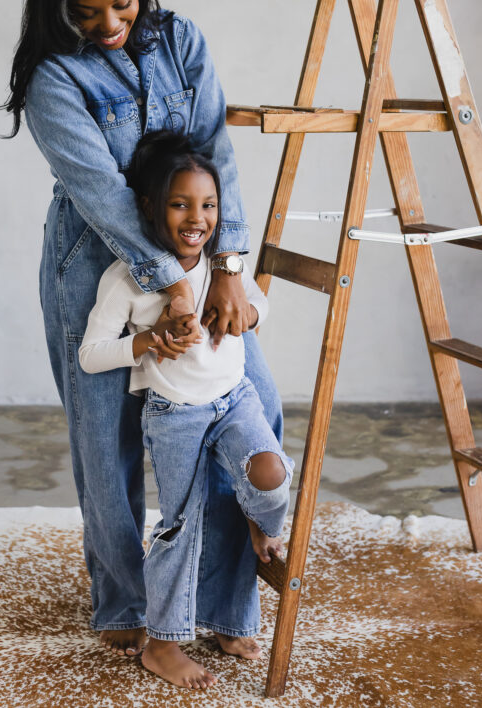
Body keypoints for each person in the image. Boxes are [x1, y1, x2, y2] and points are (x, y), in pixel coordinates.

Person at [0, 0, 285, 659]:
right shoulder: (52, 77)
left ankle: (225, 606)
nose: (108, 23)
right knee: (109, 442)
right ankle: (127, 602)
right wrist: (170, 284)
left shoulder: (181, 40)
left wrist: (225, 267)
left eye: (121, 4)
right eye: (86, 11)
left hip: (200, 249)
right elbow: (101, 193)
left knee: (244, 410)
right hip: (96, 264)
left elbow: (215, 152)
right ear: (57, 2)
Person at [79, 132, 294, 689]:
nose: (196, 218)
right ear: (150, 208)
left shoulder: (224, 267)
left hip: (234, 401)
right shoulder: (128, 278)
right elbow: (91, 354)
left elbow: (258, 303)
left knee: (268, 474)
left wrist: (245, 312)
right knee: (182, 524)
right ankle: (166, 642)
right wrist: (148, 340)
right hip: (175, 415)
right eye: (180, 204)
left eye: (208, 205)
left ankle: (260, 524)